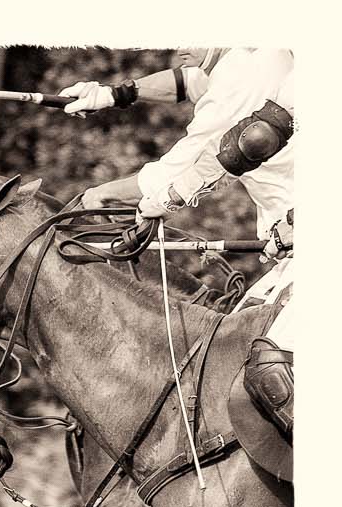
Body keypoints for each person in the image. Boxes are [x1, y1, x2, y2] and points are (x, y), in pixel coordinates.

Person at [74, 49, 295, 439]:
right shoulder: (255, 55)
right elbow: (188, 81)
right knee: (226, 359)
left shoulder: (250, 67)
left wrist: (154, 200)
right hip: (291, 251)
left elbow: (247, 143)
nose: (176, 45)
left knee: (268, 369)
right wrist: (114, 94)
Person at [57, 48, 225, 116]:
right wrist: (116, 94)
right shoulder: (222, 64)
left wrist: (100, 193)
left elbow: (183, 169)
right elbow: (188, 81)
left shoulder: (240, 70)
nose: (181, 50)